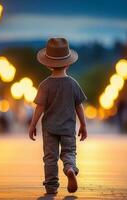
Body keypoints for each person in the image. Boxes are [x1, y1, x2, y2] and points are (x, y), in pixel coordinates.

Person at [28, 38, 87, 195]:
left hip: (49, 128)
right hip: (68, 128)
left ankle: (51, 186)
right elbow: (79, 106)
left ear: (47, 64)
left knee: (50, 158)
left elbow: (40, 107)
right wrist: (83, 125)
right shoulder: (73, 84)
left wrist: (33, 124)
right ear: (68, 63)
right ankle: (69, 169)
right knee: (69, 153)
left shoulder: (45, 85)